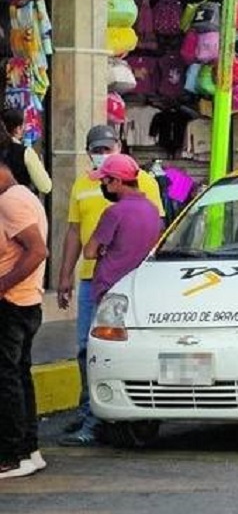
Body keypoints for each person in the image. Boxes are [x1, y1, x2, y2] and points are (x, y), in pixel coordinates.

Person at [56, 125, 164, 447]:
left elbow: (152, 233)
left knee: (105, 350)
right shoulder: (82, 184)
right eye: (96, 150)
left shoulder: (142, 186)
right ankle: (90, 409)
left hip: (124, 283)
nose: (101, 155)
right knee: (85, 349)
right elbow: (73, 233)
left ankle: (99, 417)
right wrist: (65, 275)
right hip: (93, 280)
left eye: (107, 149)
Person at [0, 160, 48, 478]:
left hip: (12, 305)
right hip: (25, 303)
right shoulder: (24, 195)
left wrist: (2, 285)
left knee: (7, 381)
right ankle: (29, 450)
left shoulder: (10, 201)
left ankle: (12, 455)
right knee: (18, 376)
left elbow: (38, 250)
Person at [85, 154, 163, 305]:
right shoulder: (153, 210)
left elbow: (89, 252)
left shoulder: (114, 212)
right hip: (139, 286)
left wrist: (103, 250)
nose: (103, 186)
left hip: (110, 287)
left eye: (104, 181)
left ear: (117, 181)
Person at [0, 109, 51, 195]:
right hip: (19, 200)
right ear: (18, 129)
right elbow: (45, 187)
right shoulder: (26, 153)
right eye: (24, 124)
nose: (26, 128)